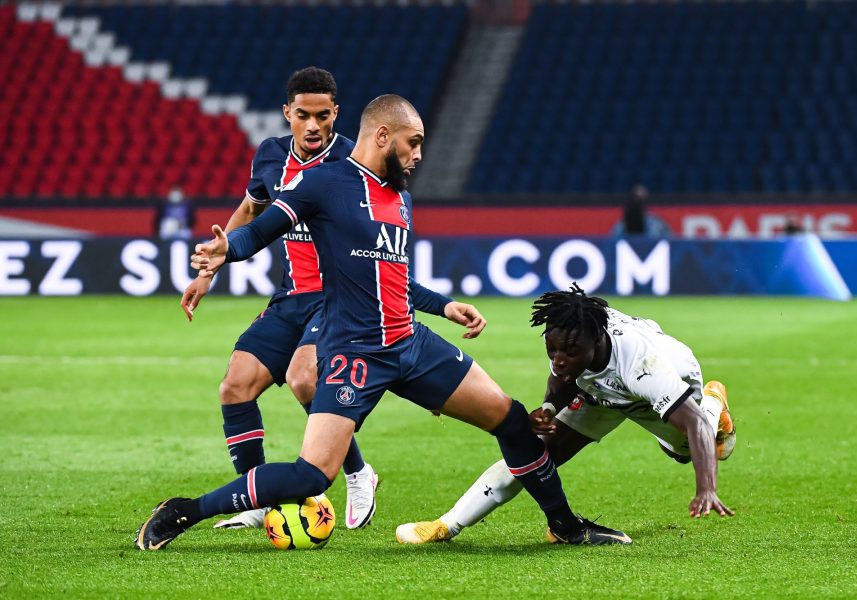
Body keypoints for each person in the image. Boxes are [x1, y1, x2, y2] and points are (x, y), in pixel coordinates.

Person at [135, 95, 630, 550]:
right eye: (412, 143)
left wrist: (444, 306)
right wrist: (228, 249)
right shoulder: (323, 183)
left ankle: (565, 526)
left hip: (412, 345)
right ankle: (185, 511)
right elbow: (262, 229)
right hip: (354, 354)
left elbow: (393, 278)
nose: (417, 155)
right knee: (311, 477)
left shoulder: (400, 198)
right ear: (381, 135)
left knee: (511, 419)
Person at [179, 67, 378, 531]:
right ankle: (254, 493)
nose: (313, 126)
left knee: (305, 379)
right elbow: (252, 208)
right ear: (287, 112)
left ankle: (357, 472)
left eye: (323, 116)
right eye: (303, 115)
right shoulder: (270, 156)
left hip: (337, 298)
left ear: (336, 115)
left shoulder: (355, 161)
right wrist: (213, 265)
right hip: (290, 297)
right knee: (236, 386)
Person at [395, 284, 736, 544]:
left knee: (684, 450)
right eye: (552, 349)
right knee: (535, 453)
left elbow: (690, 424)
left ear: (597, 340)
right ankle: (447, 525)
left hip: (664, 386)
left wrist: (706, 488)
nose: (558, 358)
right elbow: (562, 380)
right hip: (601, 391)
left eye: (568, 352)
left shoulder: (643, 366)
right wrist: (548, 408)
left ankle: (714, 401)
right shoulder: (568, 340)